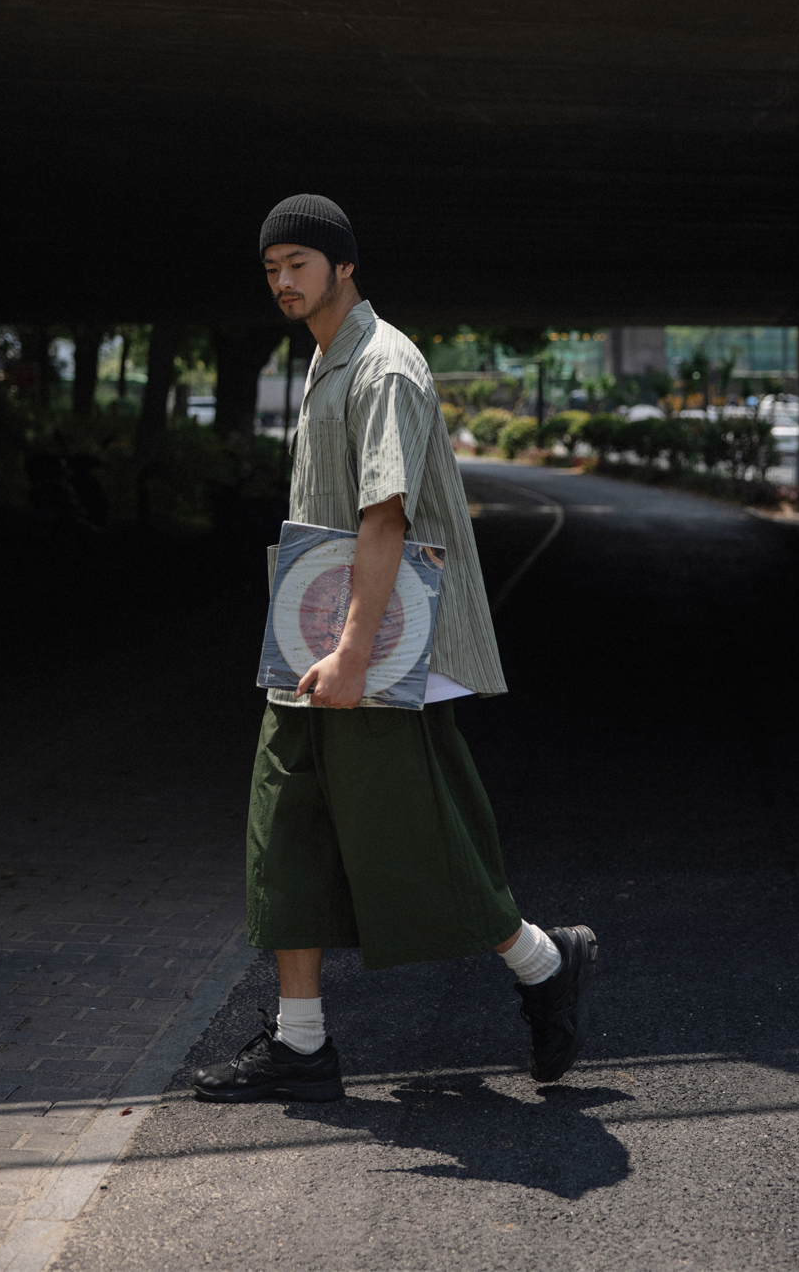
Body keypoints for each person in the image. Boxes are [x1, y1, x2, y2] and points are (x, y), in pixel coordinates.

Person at [193, 195, 597, 1105]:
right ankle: (301, 1043)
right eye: (271, 268)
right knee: (284, 829)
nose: (282, 281)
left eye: (298, 263)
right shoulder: (325, 358)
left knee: (412, 835)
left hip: (373, 650)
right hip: (307, 643)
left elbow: (386, 519)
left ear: (344, 265)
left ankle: (546, 961)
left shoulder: (384, 367)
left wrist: (351, 654)